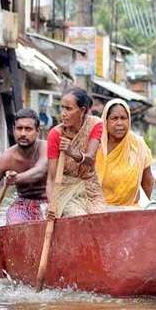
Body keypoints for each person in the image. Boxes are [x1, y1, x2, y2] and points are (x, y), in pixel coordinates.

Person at [0, 109, 48, 245]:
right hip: (22, 205)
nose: (23, 134)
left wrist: (17, 179)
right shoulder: (6, 159)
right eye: (19, 128)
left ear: (37, 130)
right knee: (15, 234)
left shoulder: (46, 148)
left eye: (28, 129)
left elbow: (39, 170)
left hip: (49, 204)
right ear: (14, 129)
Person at [46, 87, 107, 217]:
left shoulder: (95, 124)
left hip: (90, 188)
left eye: (68, 109)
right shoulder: (55, 134)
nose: (63, 113)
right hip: (64, 189)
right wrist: (51, 205)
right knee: (78, 217)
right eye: (62, 108)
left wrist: (72, 152)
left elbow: (90, 158)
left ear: (82, 111)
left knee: (101, 219)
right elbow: (51, 178)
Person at [94, 98, 154, 207]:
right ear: (105, 121)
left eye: (123, 118)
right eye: (114, 118)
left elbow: (148, 183)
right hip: (99, 211)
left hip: (130, 212)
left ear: (129, 120)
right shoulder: (96, 145)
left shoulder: (138, 145)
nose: (119, 123)